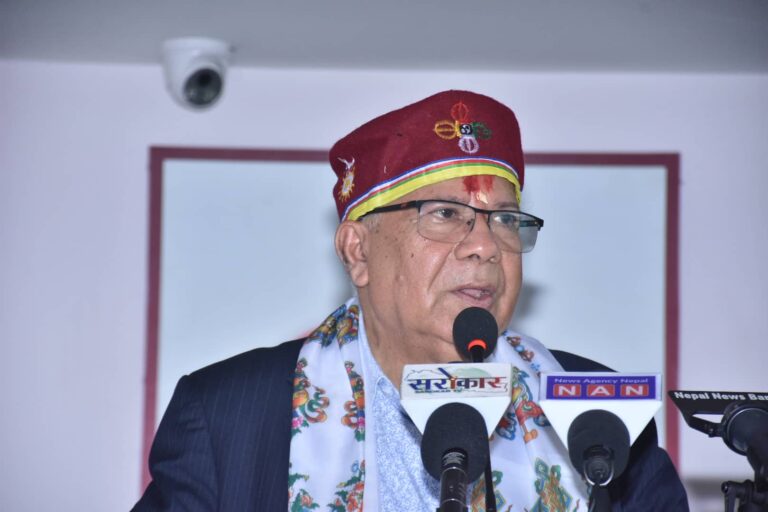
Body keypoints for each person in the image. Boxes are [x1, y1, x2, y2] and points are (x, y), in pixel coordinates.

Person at [133, 90, 688, 511]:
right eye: (446, 214)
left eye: (504, 220)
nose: (485, 246)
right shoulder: (227, 414)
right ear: (358, 250)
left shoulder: (597, 416)